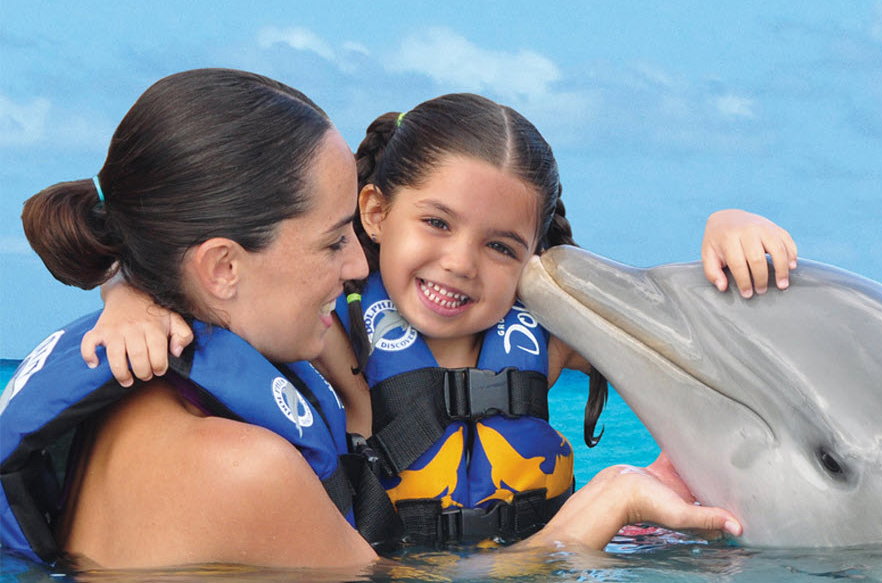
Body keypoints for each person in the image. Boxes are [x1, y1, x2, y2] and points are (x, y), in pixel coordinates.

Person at [1, 69, 741, 570]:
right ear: (222, 267)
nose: (359, 266)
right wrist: (603, 502)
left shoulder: (169, 382)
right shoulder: (240, 467)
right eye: (333, 241)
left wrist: (128, 287)